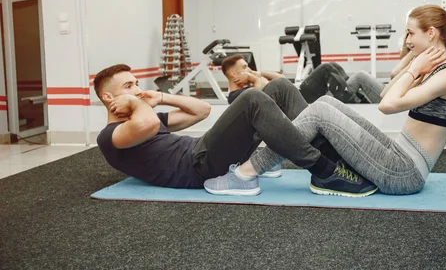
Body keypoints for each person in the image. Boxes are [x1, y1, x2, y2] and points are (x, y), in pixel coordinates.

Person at [205, 4, 446, 196]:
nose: (407, 40)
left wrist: (414, 66)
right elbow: (386, 93)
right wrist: (413, 58)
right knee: (328, 104)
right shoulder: (433, 67)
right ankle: (264, 161)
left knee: (319, 112)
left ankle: (247, 173)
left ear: (431, 33)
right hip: (396, 155)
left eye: (410, 34)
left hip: (404, 173)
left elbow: (388, 106)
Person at [93, 64, 377, 196]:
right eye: (128, 87)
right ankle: (325, 171)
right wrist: (135, 103)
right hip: (197, 167)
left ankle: (334, 158)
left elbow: (201, 111)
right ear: (109, 98)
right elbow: (149, 124)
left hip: (203, 150)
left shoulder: (145, 118)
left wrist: (162, 97)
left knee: (277, 87)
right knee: (251, 98)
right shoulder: (110, 137)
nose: (137, 90)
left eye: (136, 83)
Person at [221, 56, 383, 105]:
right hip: (298, 101)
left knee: (333, 66)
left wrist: (256, 72)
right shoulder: (237, 96)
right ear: (234, 76)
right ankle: (354, 101)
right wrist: (253, 78)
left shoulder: (253, 80)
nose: (247, 70)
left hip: (296, 93)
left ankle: (353, 97)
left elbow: (282, 79)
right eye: (243, 68)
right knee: (326, 70)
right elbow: (258, 99)